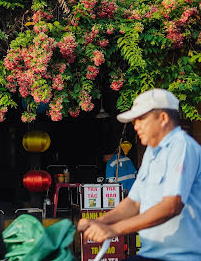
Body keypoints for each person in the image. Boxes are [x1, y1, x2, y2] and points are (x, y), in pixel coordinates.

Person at [78, 88, 201, 260]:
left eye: (141, 119)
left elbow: (172, 205)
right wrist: (101, 221)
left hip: (180, 256)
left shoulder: (181, 146)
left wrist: (115, 229)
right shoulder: (152, 153)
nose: (136, 126)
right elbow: (134, 202)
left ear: (163, 118)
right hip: (149, 253)